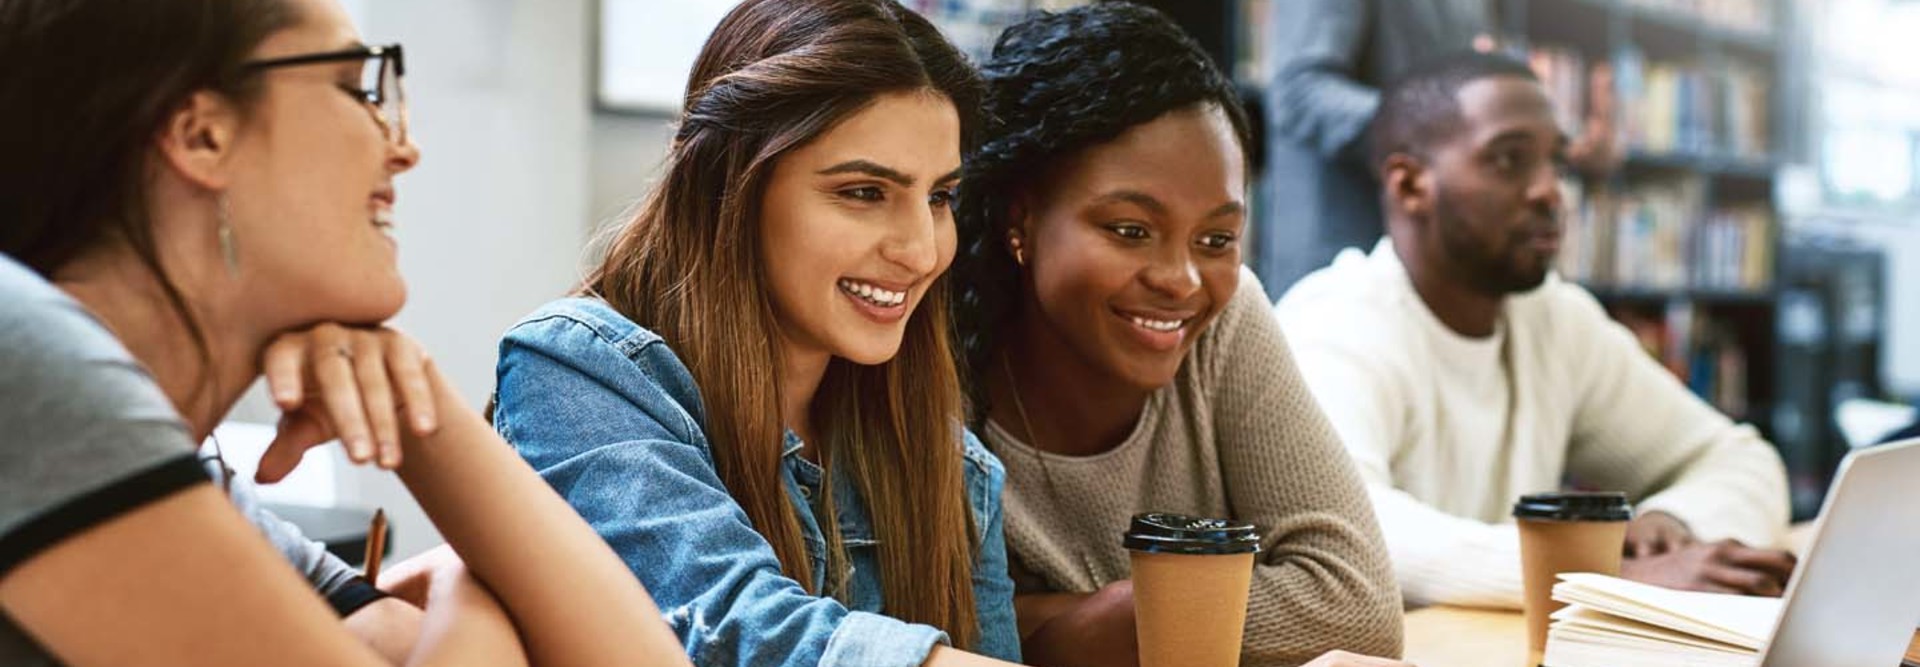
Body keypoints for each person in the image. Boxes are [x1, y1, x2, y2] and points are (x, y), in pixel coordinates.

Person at [0, 0, 692, 665]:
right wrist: (468, 582)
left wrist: (417, 409)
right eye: (354, 85)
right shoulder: (23, 352)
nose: (402, 147)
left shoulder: (200, 485)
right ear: (200, 134)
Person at [488, 1, 1019, 666]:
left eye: (939, 197)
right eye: (863, 192)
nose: (920, 250)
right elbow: (732, 629)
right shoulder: (576, 370)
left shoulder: (950, 466)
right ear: (729, 185)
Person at [949, 5, 1404, 667]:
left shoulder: (1227, 320)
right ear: (1021, 216)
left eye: (1217, 239)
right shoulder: (933, 351)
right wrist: (1193, 612)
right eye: (1130, 229)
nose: (1183, 279)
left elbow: (1358, 608)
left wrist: (1079, 620)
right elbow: (921, 626)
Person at [1274, 52, 1795, 610]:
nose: (1551, 192)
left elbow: (1740, 458)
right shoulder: (1336, 322)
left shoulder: (1555, 319)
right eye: (1508, 161)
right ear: (1409, 185)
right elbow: (1352, 528)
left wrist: (1672, 520)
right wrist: (1604, 574)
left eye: (1557, 164)